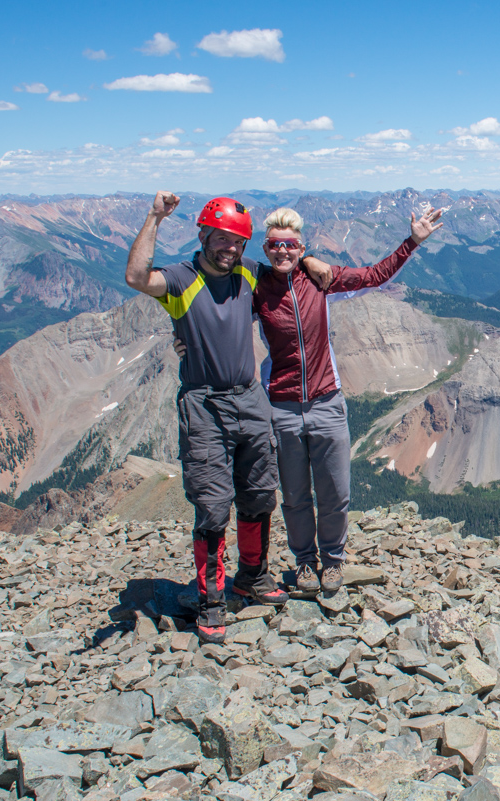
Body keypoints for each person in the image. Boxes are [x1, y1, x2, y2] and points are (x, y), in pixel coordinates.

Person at [124, 191, 332, 643]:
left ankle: (252, 576)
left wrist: (310, 259)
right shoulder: (181, 279)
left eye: (237, 241)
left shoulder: (246, 271)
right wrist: (154, 217)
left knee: (259, 494)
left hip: (251, 400)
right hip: (205, 404)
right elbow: (137, 276)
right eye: (220, 239)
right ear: (203, 236)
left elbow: (284, 259)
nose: (229, 248)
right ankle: (211, 599)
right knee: (213, 504)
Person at [254, 205, 444, 593]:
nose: (283, 252)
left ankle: (333, 561)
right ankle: (305, 563)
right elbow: (216, 304)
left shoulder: (318, 279)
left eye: (291, 245)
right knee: (294, 496)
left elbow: (374, 276)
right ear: (265, 247)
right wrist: (185, 337)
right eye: (275, 245)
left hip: (326, 402)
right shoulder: (255, 286)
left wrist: (413, 242)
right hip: (283, 407)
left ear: (301, 246)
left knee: (335, 493)